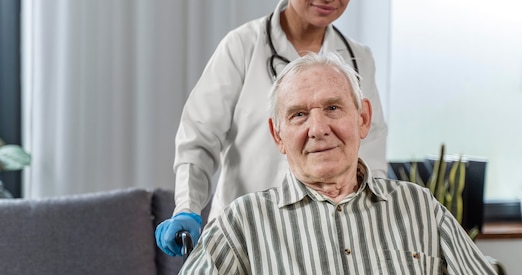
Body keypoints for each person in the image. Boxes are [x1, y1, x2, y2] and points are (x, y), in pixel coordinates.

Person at [161, 52, 512, 275]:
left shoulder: (419, 206)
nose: (318, 128)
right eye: (298, 114)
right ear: (277, 134)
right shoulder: (245, 220)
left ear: (362, 118)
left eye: (332, 108)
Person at [155, 0, 388, 257]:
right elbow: (199, 139)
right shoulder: (242, 47)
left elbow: (371, 154)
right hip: (244, 238)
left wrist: (373, 223)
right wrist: (187, 207)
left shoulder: (358, 58)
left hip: (327, 243)